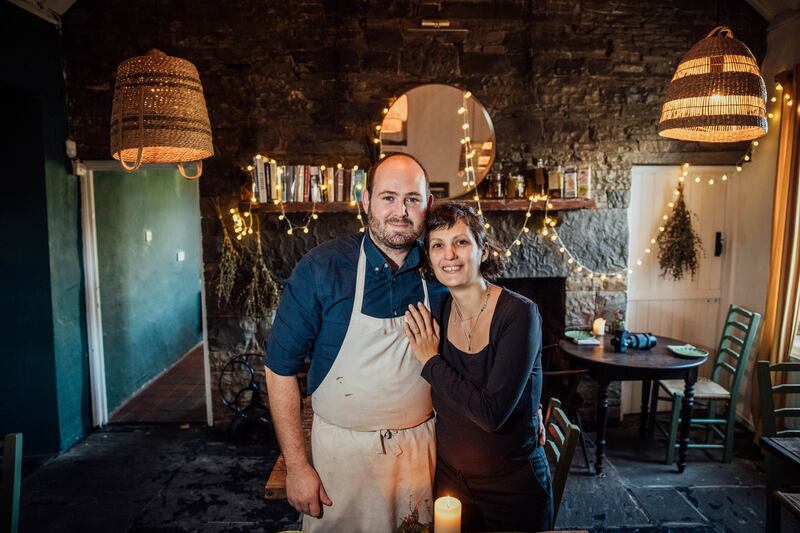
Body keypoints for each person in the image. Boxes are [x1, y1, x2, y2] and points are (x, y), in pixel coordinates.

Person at [263, 153, 447, 532]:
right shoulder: (321, 268)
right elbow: (279, 369)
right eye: (388, 197)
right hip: (340, 461)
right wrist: (297, 468)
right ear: (366, 202)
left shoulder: (443, 268)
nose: (401, 210)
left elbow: (489, 332)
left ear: (428, 205)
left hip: (420, 455)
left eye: (413, 199)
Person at [404, 201, 553, 532]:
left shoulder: (519, 314)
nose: (449, 255)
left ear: (483, 250)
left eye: (461, 242)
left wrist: (431, 360)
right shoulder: (438, 310)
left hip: (513, 490)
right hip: (451, 487)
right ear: (429, 258)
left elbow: (491, 413)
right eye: (438, 245)